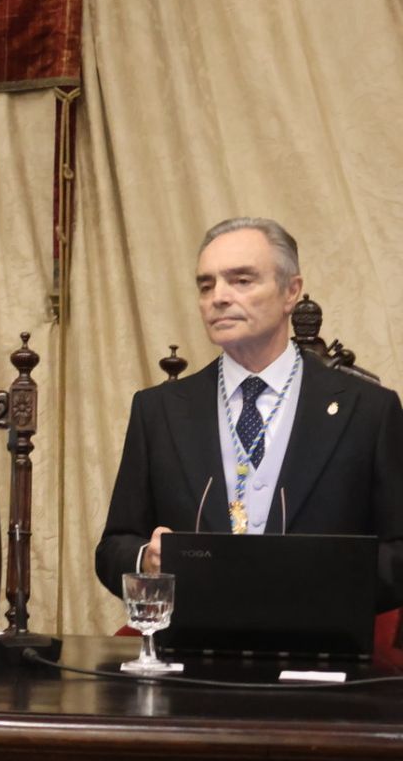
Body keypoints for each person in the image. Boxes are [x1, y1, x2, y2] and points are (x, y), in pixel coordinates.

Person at [96, 217, 403, 609]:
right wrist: (147, 559)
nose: (219, 297)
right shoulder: (159, 411)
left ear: (291, 292)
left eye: (241, 280)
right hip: (194, 642)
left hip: (320, 640)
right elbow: (114, 547)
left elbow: (398, 554)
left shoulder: (368, 411)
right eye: (206, 285)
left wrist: (319, 576)